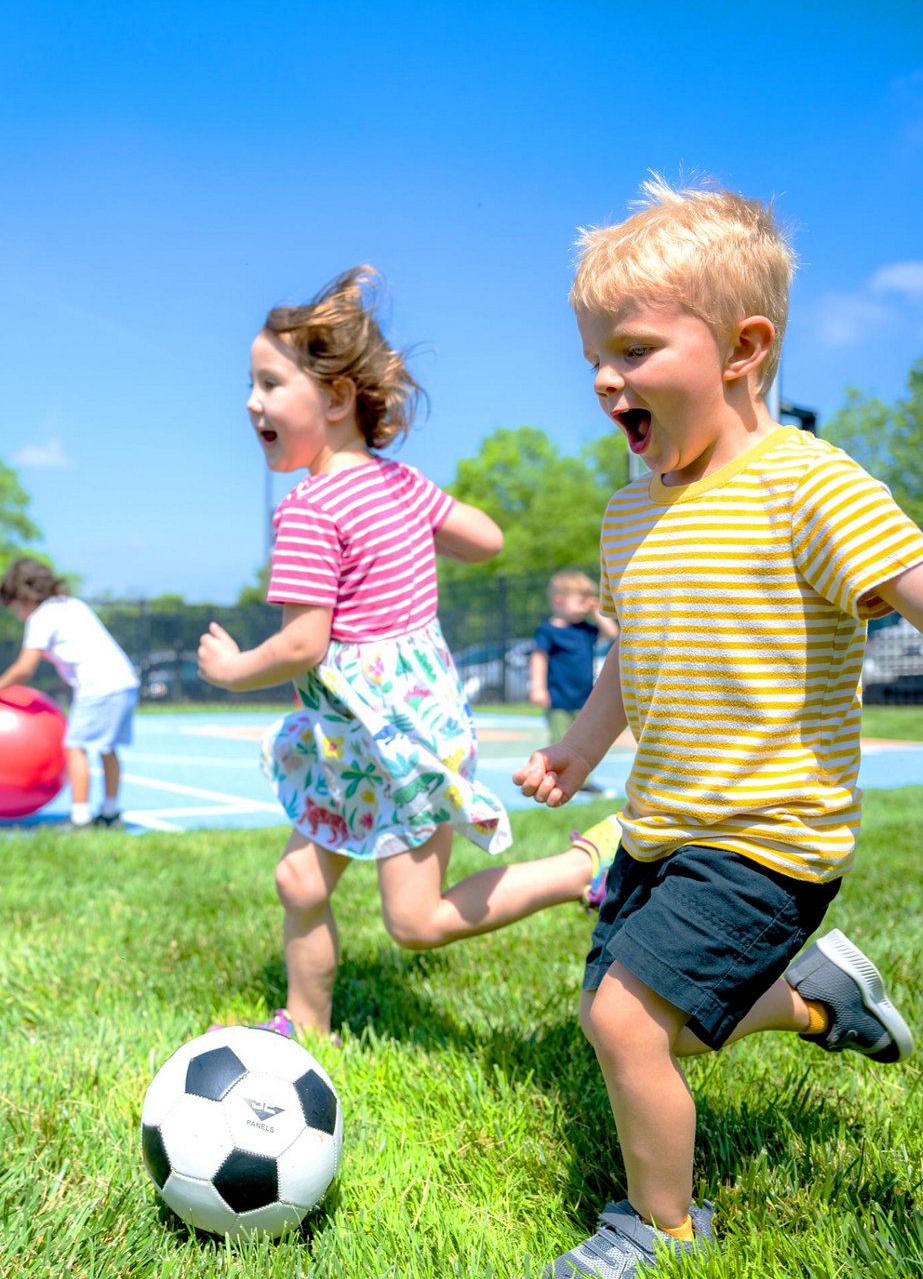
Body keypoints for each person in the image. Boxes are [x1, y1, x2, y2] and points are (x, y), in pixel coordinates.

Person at [513, 176, 923, 1278]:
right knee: (681, 1022)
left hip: (767, 838)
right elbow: (631, 652)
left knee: (623, 1022)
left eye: (636, 350)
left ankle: (661, 1227)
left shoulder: (809, 488)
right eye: (595, 355)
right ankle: (818, 1003)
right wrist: (580, 745)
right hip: (659, 829)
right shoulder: (629, 509)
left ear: (743, 348)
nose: (606, 379)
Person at [198, 266, 621, 1040]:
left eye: (267, 383)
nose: (251, 403)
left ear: (332, 400)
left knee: (417, 922)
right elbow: (486, 539)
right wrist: (419, 516)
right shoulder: (401, 483)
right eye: (250, 385)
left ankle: (581, 870)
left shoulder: (309, 508)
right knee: (299, 878)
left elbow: (302, 642)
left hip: (394, 737)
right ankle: (308, 1032)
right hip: (370, 729)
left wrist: (230, 670)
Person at [0, 557, 139, 829]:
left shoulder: (41, 617)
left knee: (75, 746)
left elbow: (25, 668)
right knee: (107, 748)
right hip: (124, 681)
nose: (15, 612)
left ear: (24, 594)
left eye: (14, 604)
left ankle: (80, 817)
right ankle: (110, 813)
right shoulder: (72, 605)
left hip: (99, 686)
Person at [530, 569, 618, 795]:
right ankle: (558, 779)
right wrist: (538, 687)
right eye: (581, 601)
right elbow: (539, 657)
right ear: (559, 600)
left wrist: (597, 611)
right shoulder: (548, 631)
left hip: (584, 696)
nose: (585, 606)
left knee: (585, 739)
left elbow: (613, 634)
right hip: (559, 696)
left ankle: (583, 781)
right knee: (562, 739)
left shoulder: (584, 630)